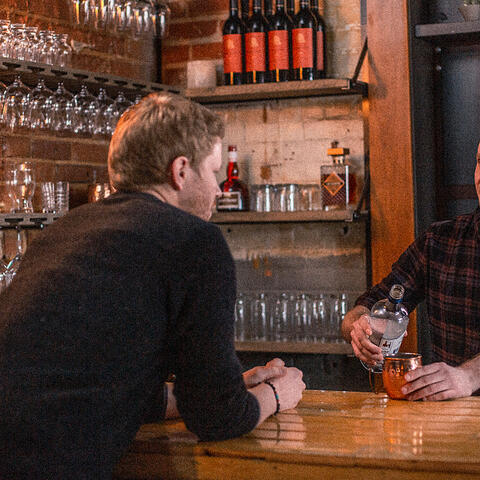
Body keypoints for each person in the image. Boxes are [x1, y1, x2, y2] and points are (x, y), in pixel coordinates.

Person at [0, 93, 305, 479]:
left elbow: (95, 384)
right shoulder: (195, 242)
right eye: (212, 172)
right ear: (180, 171)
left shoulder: (63, 232)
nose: (217, 189)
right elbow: (217, 420)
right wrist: (278, 396)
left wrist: (234, 385)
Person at [342, 143, 480, 402]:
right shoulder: (439, 241)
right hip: (446, 423)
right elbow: (369, 304)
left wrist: (471, 375)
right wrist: (359, 328)